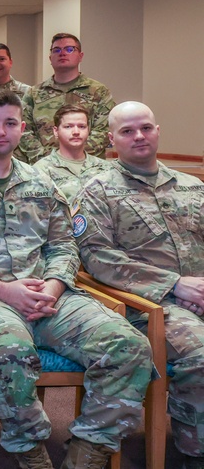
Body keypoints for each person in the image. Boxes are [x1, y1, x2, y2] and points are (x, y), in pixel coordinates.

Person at [0, 90, 153, 469]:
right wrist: (2, 289)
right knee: (9, 351)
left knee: (128, 344)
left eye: (10, 123)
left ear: (22, 129)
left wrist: (54, 284)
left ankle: (88, 452)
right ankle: (31, 451)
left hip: (50, 296)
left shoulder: (41, 183)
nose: (1, 131)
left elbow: (64, 246)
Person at [75, 101, 204, 469]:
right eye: (128, 131)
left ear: (158, 130)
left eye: (145, 128)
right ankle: (196, 455)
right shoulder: (98, 190)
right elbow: (98, 259)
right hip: (146, 307)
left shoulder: (193, 187)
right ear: (112, 139)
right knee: (200, 354)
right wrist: (176, 286)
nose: (139, 136)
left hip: (199, 296)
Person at [21, 34, 115, 163]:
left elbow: (103, 132)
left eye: (69, 49)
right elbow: (24, 131)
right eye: (57, 50)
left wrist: (73, 157)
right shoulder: (34, 93)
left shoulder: (98, 91)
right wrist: (47, 160)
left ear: (80, 56)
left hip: (88, 170)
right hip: (44, 169)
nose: (62, 53)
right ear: (50, 58)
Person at [32, 106, 111, 201]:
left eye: (82, 126)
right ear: (56, 131)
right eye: (68, 126)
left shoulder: (105, 168)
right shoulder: (40, 170)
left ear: (88, 130)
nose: (76, 132)